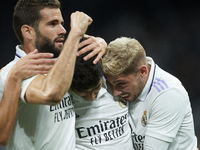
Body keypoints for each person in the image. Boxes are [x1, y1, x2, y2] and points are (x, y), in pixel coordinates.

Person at [0, 0, 106, 149]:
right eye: (52, 24)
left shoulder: (59, 61)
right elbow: (51, 93)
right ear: (28, 32)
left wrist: (101, 44)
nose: (63, 30)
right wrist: (75, 33)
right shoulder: (15, 73)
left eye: (61, 23)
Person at [102, 37, 197, 150]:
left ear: (143, 71)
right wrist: (99, 41)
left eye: (121, 83)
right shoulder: (123, 86)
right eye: (110, 84)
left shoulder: (169, 94)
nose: (115, 92)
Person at [69, 42, 133, 149]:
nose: (91, 98)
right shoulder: (59, 94)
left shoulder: (117, 81)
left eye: (95, 89)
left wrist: (103, 44)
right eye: (82, 93)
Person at [0, 50, 55, 146]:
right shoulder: (8, 73)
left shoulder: (66, 61)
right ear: (28, 33)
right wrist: (15, 77)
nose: (63, 33)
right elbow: (2, 137)